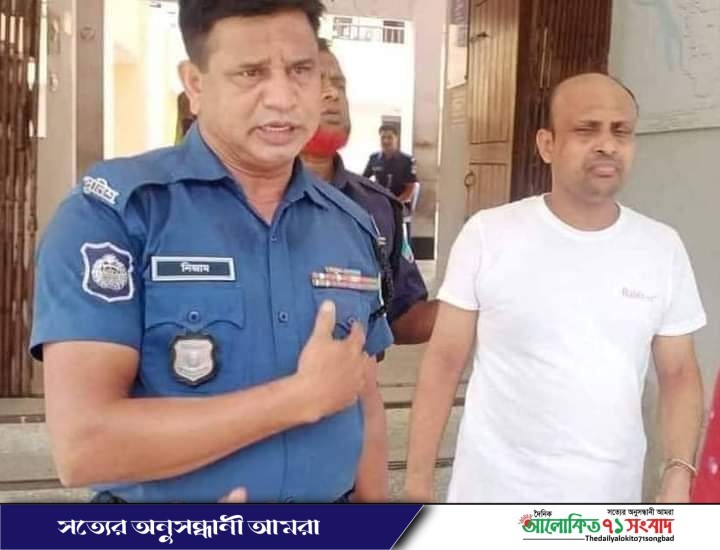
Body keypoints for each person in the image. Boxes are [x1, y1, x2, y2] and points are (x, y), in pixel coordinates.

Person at [30, 0, 394, 503]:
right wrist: (296, 398)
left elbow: (364, 398)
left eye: (301, 70)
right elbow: (84, 445)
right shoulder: (118, 215)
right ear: (195, 85)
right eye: (251, 73)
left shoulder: (348, 223)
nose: (283, 98)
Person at [404, 73, 706, 503]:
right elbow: (443, 361)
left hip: (607, 502)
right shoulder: (489, 235)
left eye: (620, 131)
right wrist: (417, 485)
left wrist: (679, 470)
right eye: (587, 130)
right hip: (490, 497)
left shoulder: (662, 247)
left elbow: (678, 374)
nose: (607, 144)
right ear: (547, 145)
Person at [300, 40, 437, 345]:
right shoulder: (233, 201)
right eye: (315, 82)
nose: (332, 93)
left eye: (339, 84)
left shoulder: (378, 208)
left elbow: (402, 317)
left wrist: (477, 302)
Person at [363, 125, 418, 205]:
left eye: (389, 137)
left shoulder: (407, 160)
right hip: (379, 201)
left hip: (400, 204)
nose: (386, 141)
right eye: (383, 137)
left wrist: (395, 204)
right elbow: (364, 179)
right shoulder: (374, 158)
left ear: (396, 139)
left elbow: (409, 190)